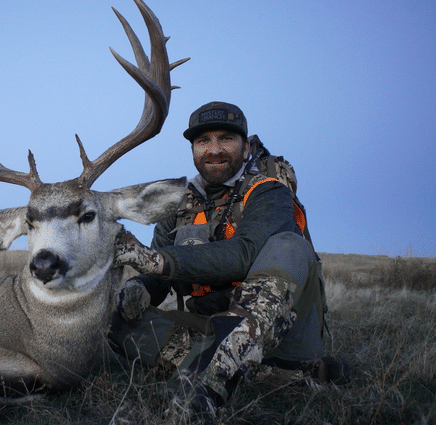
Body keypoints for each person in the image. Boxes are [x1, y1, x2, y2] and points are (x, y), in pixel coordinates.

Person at [109, 101, 347, 418]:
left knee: (290, 245)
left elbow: (243, 254)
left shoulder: (268, 192)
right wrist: (139, 286)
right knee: (115, 321)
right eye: (203, 141)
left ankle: (207, 384)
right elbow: (158, 277)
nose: (214, 149)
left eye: (226, 138)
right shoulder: (178, 206)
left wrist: (155, 261)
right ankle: (258, 373)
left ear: (245, 147)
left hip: (275, 335)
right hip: (208, 326)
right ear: (193, 150)